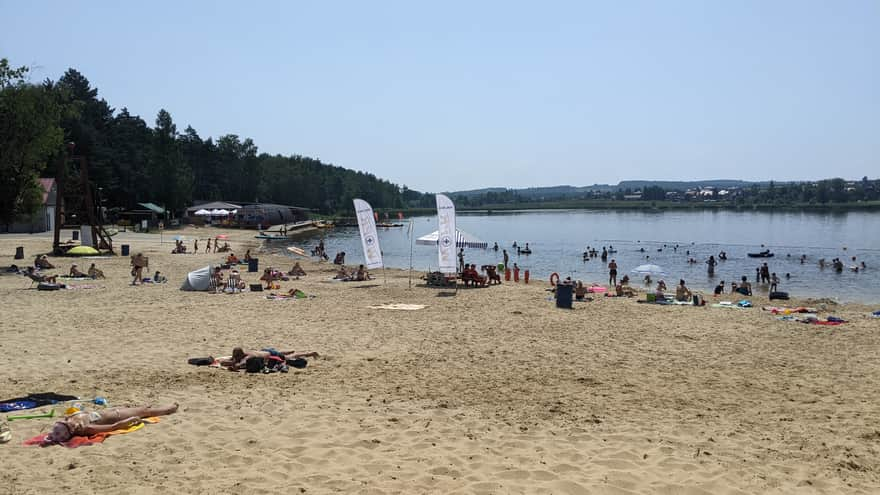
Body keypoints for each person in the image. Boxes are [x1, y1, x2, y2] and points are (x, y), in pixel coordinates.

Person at [44, 404, 179, 444]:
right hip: (117, 416)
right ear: (72, 433)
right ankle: (169, 409)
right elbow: (113, 427)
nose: (74, 426)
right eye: (72, 430)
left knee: (142, 408)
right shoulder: (86, 428)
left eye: (69, 425)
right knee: (146, 411)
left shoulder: (71, 417)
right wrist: (128, 421)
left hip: (111, 411)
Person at [220, 347, 319, 371]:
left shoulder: (248, 357)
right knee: (283, 354)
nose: (235, 358)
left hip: (271, 354)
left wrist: (232, 366)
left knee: (289, 358)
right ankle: (287, 351)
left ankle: (310, 353)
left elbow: (239, 365)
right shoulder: (240, 353)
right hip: (263, 351)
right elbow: (229, 361)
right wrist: (228, 362)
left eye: (236, 357)